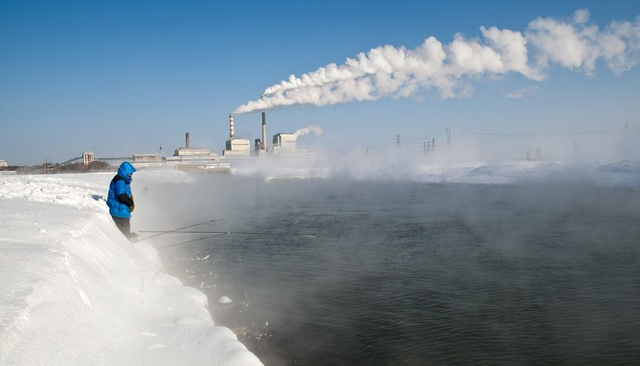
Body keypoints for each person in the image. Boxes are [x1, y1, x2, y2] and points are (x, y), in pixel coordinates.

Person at [107, 161, 137, 239]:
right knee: (124, 234)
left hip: (122, 211)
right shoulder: (119, 180)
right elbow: (121, 195)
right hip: (119, 212)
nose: (131, 175)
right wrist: (130, 203)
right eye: (130, 173)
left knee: (125, 232)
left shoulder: (123, 181)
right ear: (125, 172)